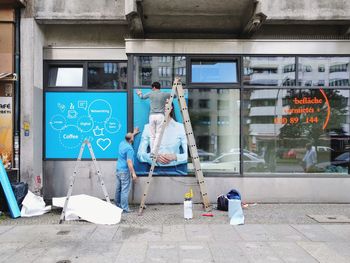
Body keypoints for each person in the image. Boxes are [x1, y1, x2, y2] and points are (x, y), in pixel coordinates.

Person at [136, 81, 172, 155]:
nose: (152, 89)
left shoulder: (150, 93)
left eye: (152, 88)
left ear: (154, 87)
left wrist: (139, 93)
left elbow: (142, 97)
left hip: (152, 116)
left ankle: (152, 152)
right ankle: (155, 151)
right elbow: (173, 96)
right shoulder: (164, 94)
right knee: (159, 134)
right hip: (160, 116)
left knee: (152, 135)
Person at [115, 127, 139, 213]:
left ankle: (117, 205)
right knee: (124, 191)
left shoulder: (122, 143)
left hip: (118, 170)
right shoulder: (129, 149)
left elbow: (129, 137)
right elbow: (129, 162)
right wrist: (133, 174)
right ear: (131, 140)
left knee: (118, 189)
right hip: (125, 171)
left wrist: (134, 133)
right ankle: (124, 208)